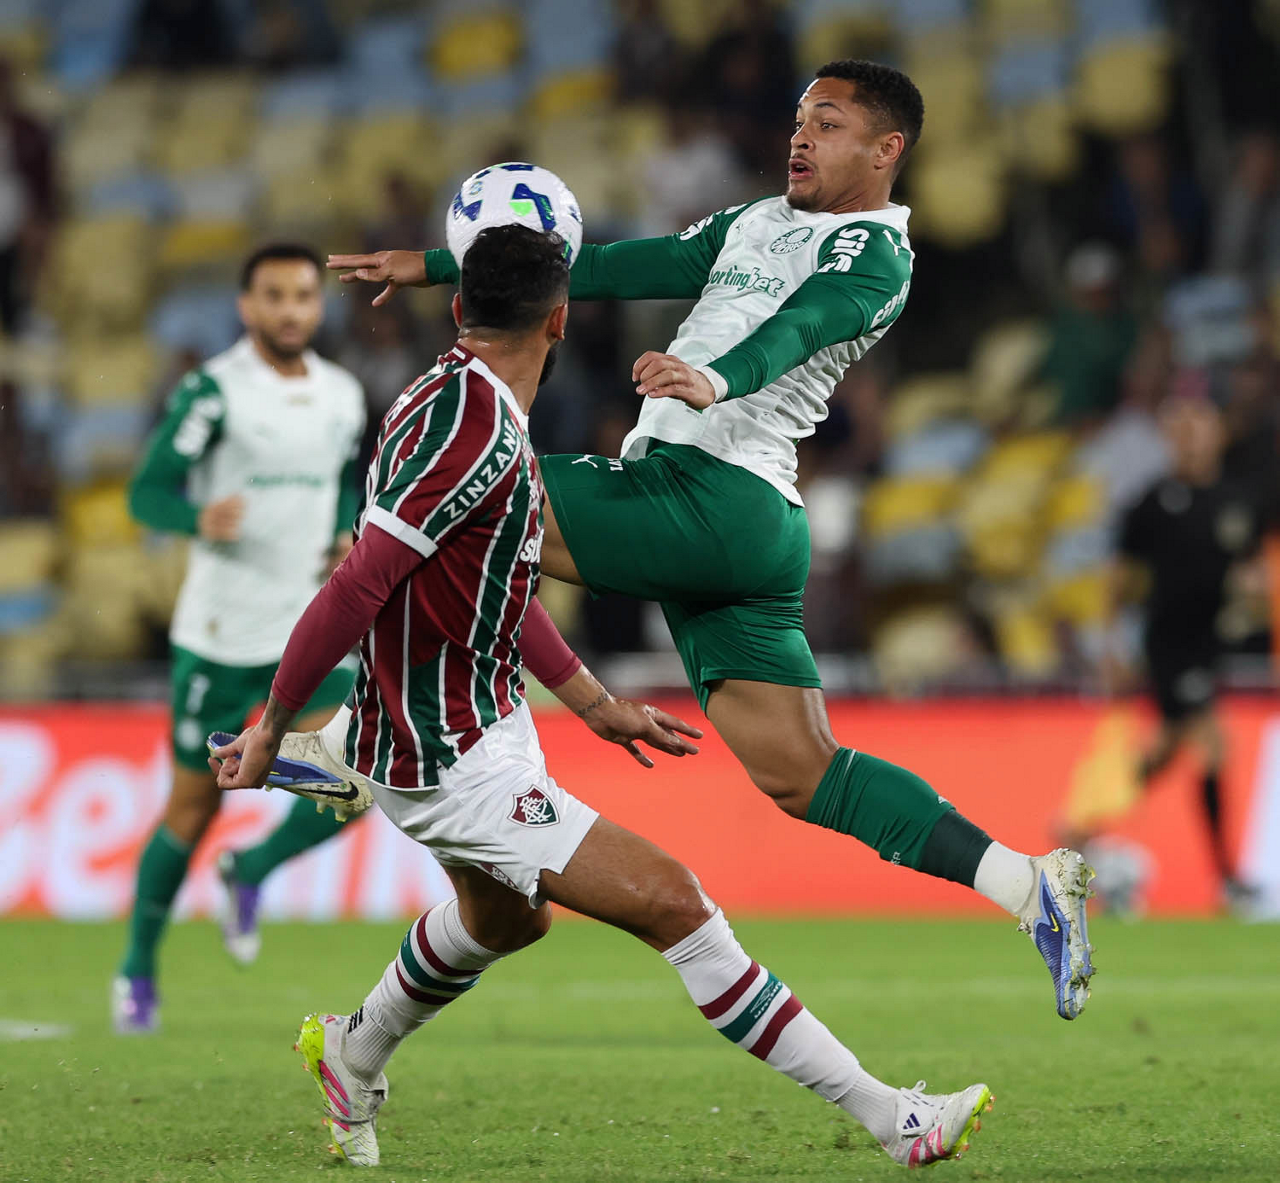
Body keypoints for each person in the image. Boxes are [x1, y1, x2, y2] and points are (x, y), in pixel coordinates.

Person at [212, 225, 993, 1170]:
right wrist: (271, 727)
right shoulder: (473, 430)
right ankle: (894, 1118)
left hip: (482, 720)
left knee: (508, 919)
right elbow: (357, 584)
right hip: (450, 757)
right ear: (561, 320)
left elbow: (495, 576)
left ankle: (353, 1048)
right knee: (677, 904)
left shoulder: (445, 398)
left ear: (458, 309)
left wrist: (591, 703)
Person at [331, 60, 1096, 1018]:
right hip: (739, 533)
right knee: (803, 773)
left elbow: (802, 327)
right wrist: (435, 266)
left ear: (886, 150)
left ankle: (349, 734)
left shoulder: (877, 255)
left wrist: (717, 378)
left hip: (710, 494)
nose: (801, 136)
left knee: (453, 495)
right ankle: (1029, 884)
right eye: (800, 118)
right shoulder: (755, 222)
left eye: (829, 123)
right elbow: (611, 268)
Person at [113, 243, 368, 1033]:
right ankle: (137, 971)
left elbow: (343, 479)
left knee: (356, 777)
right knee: (192, 807)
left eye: (303, 295)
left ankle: (250, 868)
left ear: (318, 305)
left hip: (306, 627)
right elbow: (146, 491)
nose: (291, 309)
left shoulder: (342, 394)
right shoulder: (214, 391)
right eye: (274, 295)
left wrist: (342, 529)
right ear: (246, 306)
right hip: (221, 635)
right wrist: (196, 516)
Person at [1099, 392, 1264, 910]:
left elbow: (1249, 572)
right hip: (1168, 644)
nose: (1189, 437)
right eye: (1180, 427)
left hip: (1208, 644)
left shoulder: (1237, 501)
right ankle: (1228, 878)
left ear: (1219, 433)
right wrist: (1111, 646)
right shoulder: (1153, 502)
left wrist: (1252, 596)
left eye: (1199, 425)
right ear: (1168, 438)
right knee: (1213, 744)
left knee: (1165, 751)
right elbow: (1119, 579)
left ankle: (1083, 827)